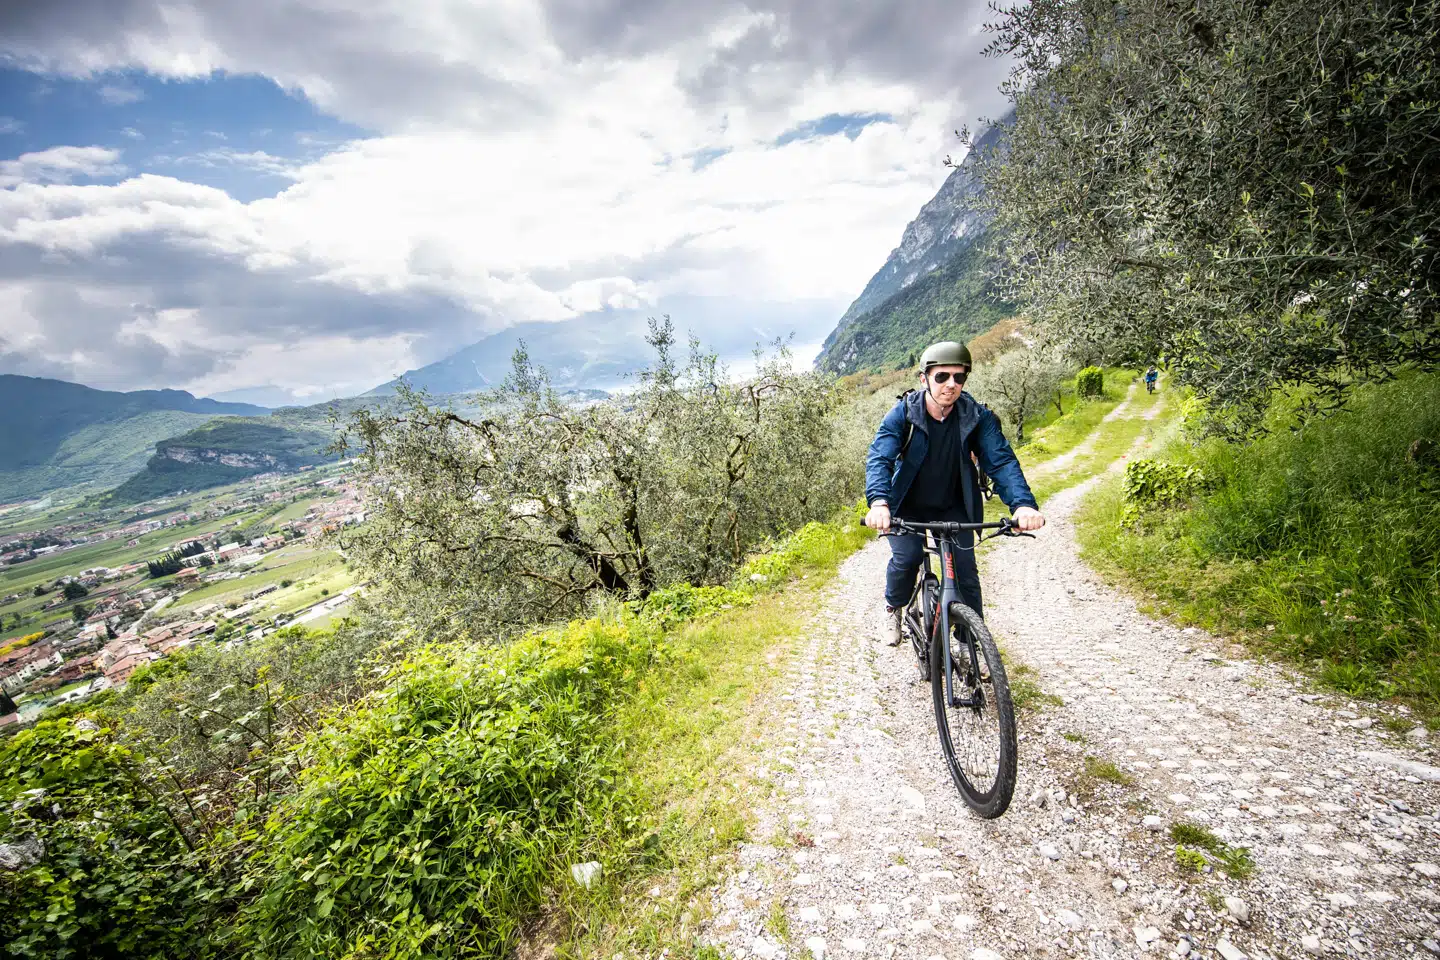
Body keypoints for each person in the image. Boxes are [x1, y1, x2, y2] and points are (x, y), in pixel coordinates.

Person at [863, 341, 1046, 647]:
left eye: (959, 377)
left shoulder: (976, 417)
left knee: (965, 574)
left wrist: (1023, 504)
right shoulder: (903, 415)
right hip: (905, 506)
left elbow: (1000, 460)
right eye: (942, 376)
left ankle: (969, 644)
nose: (951, 384)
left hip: (954, 506)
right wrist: (879, 502)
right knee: (907, 558)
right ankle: (893, 608)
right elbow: (880, 457)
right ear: (924, 379)